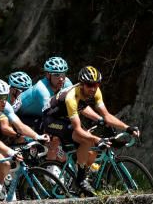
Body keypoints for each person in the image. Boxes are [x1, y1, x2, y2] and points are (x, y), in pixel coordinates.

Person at [41, 65, 140, 196]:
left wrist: (128, 128)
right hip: (52, 119)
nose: (93, 88)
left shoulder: (95, 91)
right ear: (82, 84)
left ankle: (80, 171)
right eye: (89, 85)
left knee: (92, 147)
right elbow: (77, 129)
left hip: (67, 116)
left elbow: (107, 116)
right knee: (86, 140)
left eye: (96, 84)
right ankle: (81, 180)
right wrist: (98, 139)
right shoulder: (71, 97)